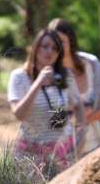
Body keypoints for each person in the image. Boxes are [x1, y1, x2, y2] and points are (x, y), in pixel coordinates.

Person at [8, 27, 86, 176]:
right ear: (35, 48)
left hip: (62, 153)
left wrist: (81, 130)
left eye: (55, 48)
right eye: (45, 46)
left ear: (59, 54)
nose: (49, 51)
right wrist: (38, 83)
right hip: (30, 155)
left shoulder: (65, 75)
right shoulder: (19, 76)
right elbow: (19, 114)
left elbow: (78, 104)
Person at [48, 17, 100, 153]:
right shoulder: (49, 74)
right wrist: (85, 113)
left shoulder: (92, 64)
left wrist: (73, 116)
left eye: (61, 42)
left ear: (71, 40)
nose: (57, 48)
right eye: (53, 43)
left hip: (96, 147)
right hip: (64, 152)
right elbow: (53, 120)